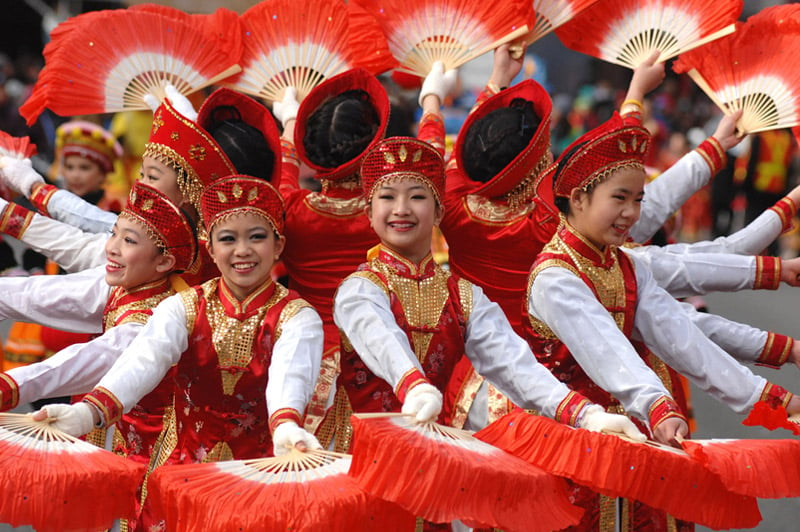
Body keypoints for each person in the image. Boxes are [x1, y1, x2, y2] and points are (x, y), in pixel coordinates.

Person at [525, 113, 800, 531]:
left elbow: (682, 333)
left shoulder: (624, 263)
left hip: (641, 431)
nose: (634, 214)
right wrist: (657, 405)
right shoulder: (555, 278)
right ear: (578, 198)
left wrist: (776, 399)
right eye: (621, 198)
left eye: (638, 200)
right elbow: (608, 350)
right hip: (572, 436)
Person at [333, 136, 645, 452]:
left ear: (439, 213)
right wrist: (415, 387)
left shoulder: (463, 296)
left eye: (417, 197)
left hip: (429, 455)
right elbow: (381, 338)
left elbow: (512, 362)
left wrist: (585, 414)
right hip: (362, 456)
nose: (401, 210)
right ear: (370, 214)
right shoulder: (360, 290)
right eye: (387, 197)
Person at [36, 174, 323, 463]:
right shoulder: (184, 307)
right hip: (178, 467)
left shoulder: (297, 317)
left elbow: (290, 376)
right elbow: (144, 361)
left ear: (278, 246)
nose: (242, 250)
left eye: (257, 237)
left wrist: (286, 425)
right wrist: (88, 413)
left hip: (257, 471)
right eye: (227, 239)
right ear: (211, 248)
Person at [270, 66, 453, 446]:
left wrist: (289, 118)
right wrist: (431, 99)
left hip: (304, 364)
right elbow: (431, 159)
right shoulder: (391, 216)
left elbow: (285, 166)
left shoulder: (293, 210)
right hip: (386, 362)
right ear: (377, 143)